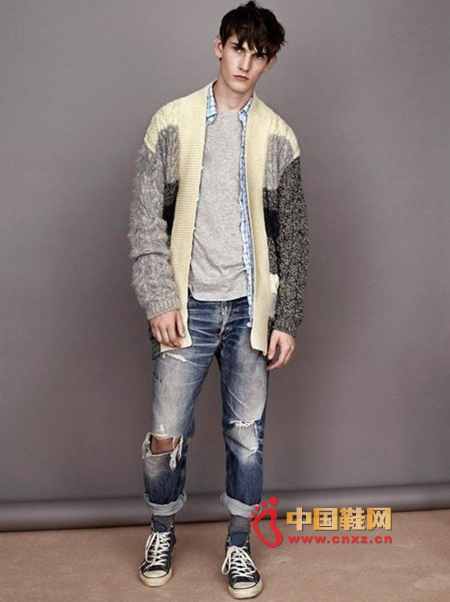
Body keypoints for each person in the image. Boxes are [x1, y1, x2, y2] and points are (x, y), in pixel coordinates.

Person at [128, 1, 309, 598]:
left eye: (258, 55)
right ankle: (161, 530)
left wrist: (286, 317)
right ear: (218, 46)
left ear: (270, 63)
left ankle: (238, 544)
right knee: (165, 434)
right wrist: (159, 296)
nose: (244, 63)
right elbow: (145, 220)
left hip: (249, 311)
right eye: (237, 48)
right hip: (186, 306)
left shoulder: (279, 137)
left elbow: (293, 237)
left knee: (247, 437)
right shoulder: (171, 121)